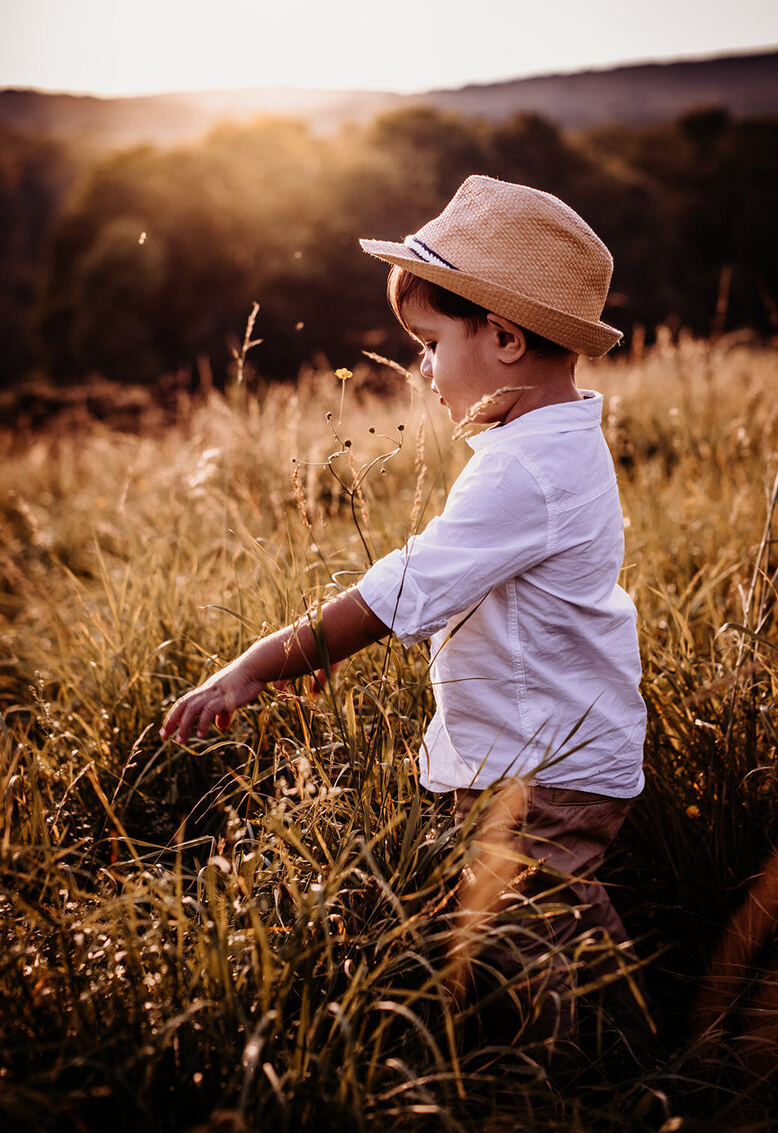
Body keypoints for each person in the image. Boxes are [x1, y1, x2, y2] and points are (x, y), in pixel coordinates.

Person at [160, 175, 648, 1039]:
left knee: (517, 938)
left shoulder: (521, 469)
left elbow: (395, 595)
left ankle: (570, 1081)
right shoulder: (552, 439)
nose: (422, 369)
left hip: (542, 768)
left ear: (501, 337)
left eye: (427, 343)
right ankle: (638, 1038)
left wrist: (256, 668)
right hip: (550, 747)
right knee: (553, 918)